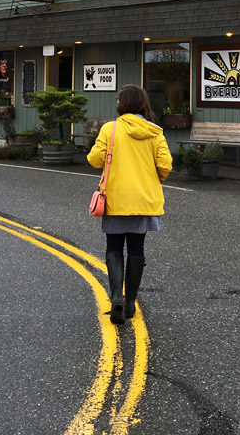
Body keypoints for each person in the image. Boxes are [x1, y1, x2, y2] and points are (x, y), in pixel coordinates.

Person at [87, 85, 172, 325]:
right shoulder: (155, 131)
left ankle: (116, 296)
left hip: (115, 199)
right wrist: (152, 178)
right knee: (137, 249)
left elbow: (94, 159)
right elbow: (165, 165)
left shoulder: (110, 129)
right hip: (143, 199)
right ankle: (131, 301)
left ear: (122, 104)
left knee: (114, 247)